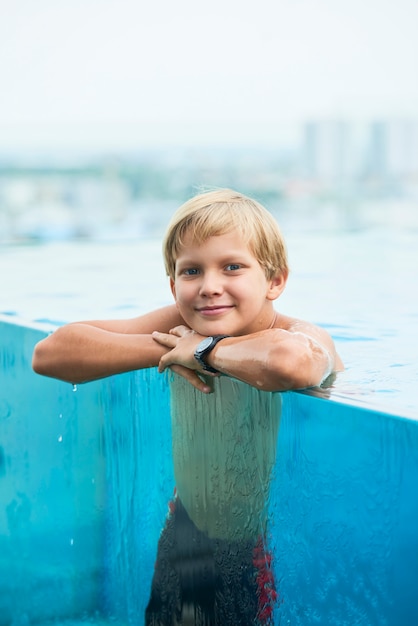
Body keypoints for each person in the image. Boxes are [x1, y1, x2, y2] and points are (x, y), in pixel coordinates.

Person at [32, 188, 343, 625]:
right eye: (192, 270)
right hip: (183, 526)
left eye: (232, 266)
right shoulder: (180, 328)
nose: (210, 286)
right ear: (174, 283)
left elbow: (291, 364)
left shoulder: (293, 333)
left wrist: (202, 352)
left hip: (248, 547)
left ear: (275, 281)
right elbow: (50, 354)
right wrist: (170, 347)